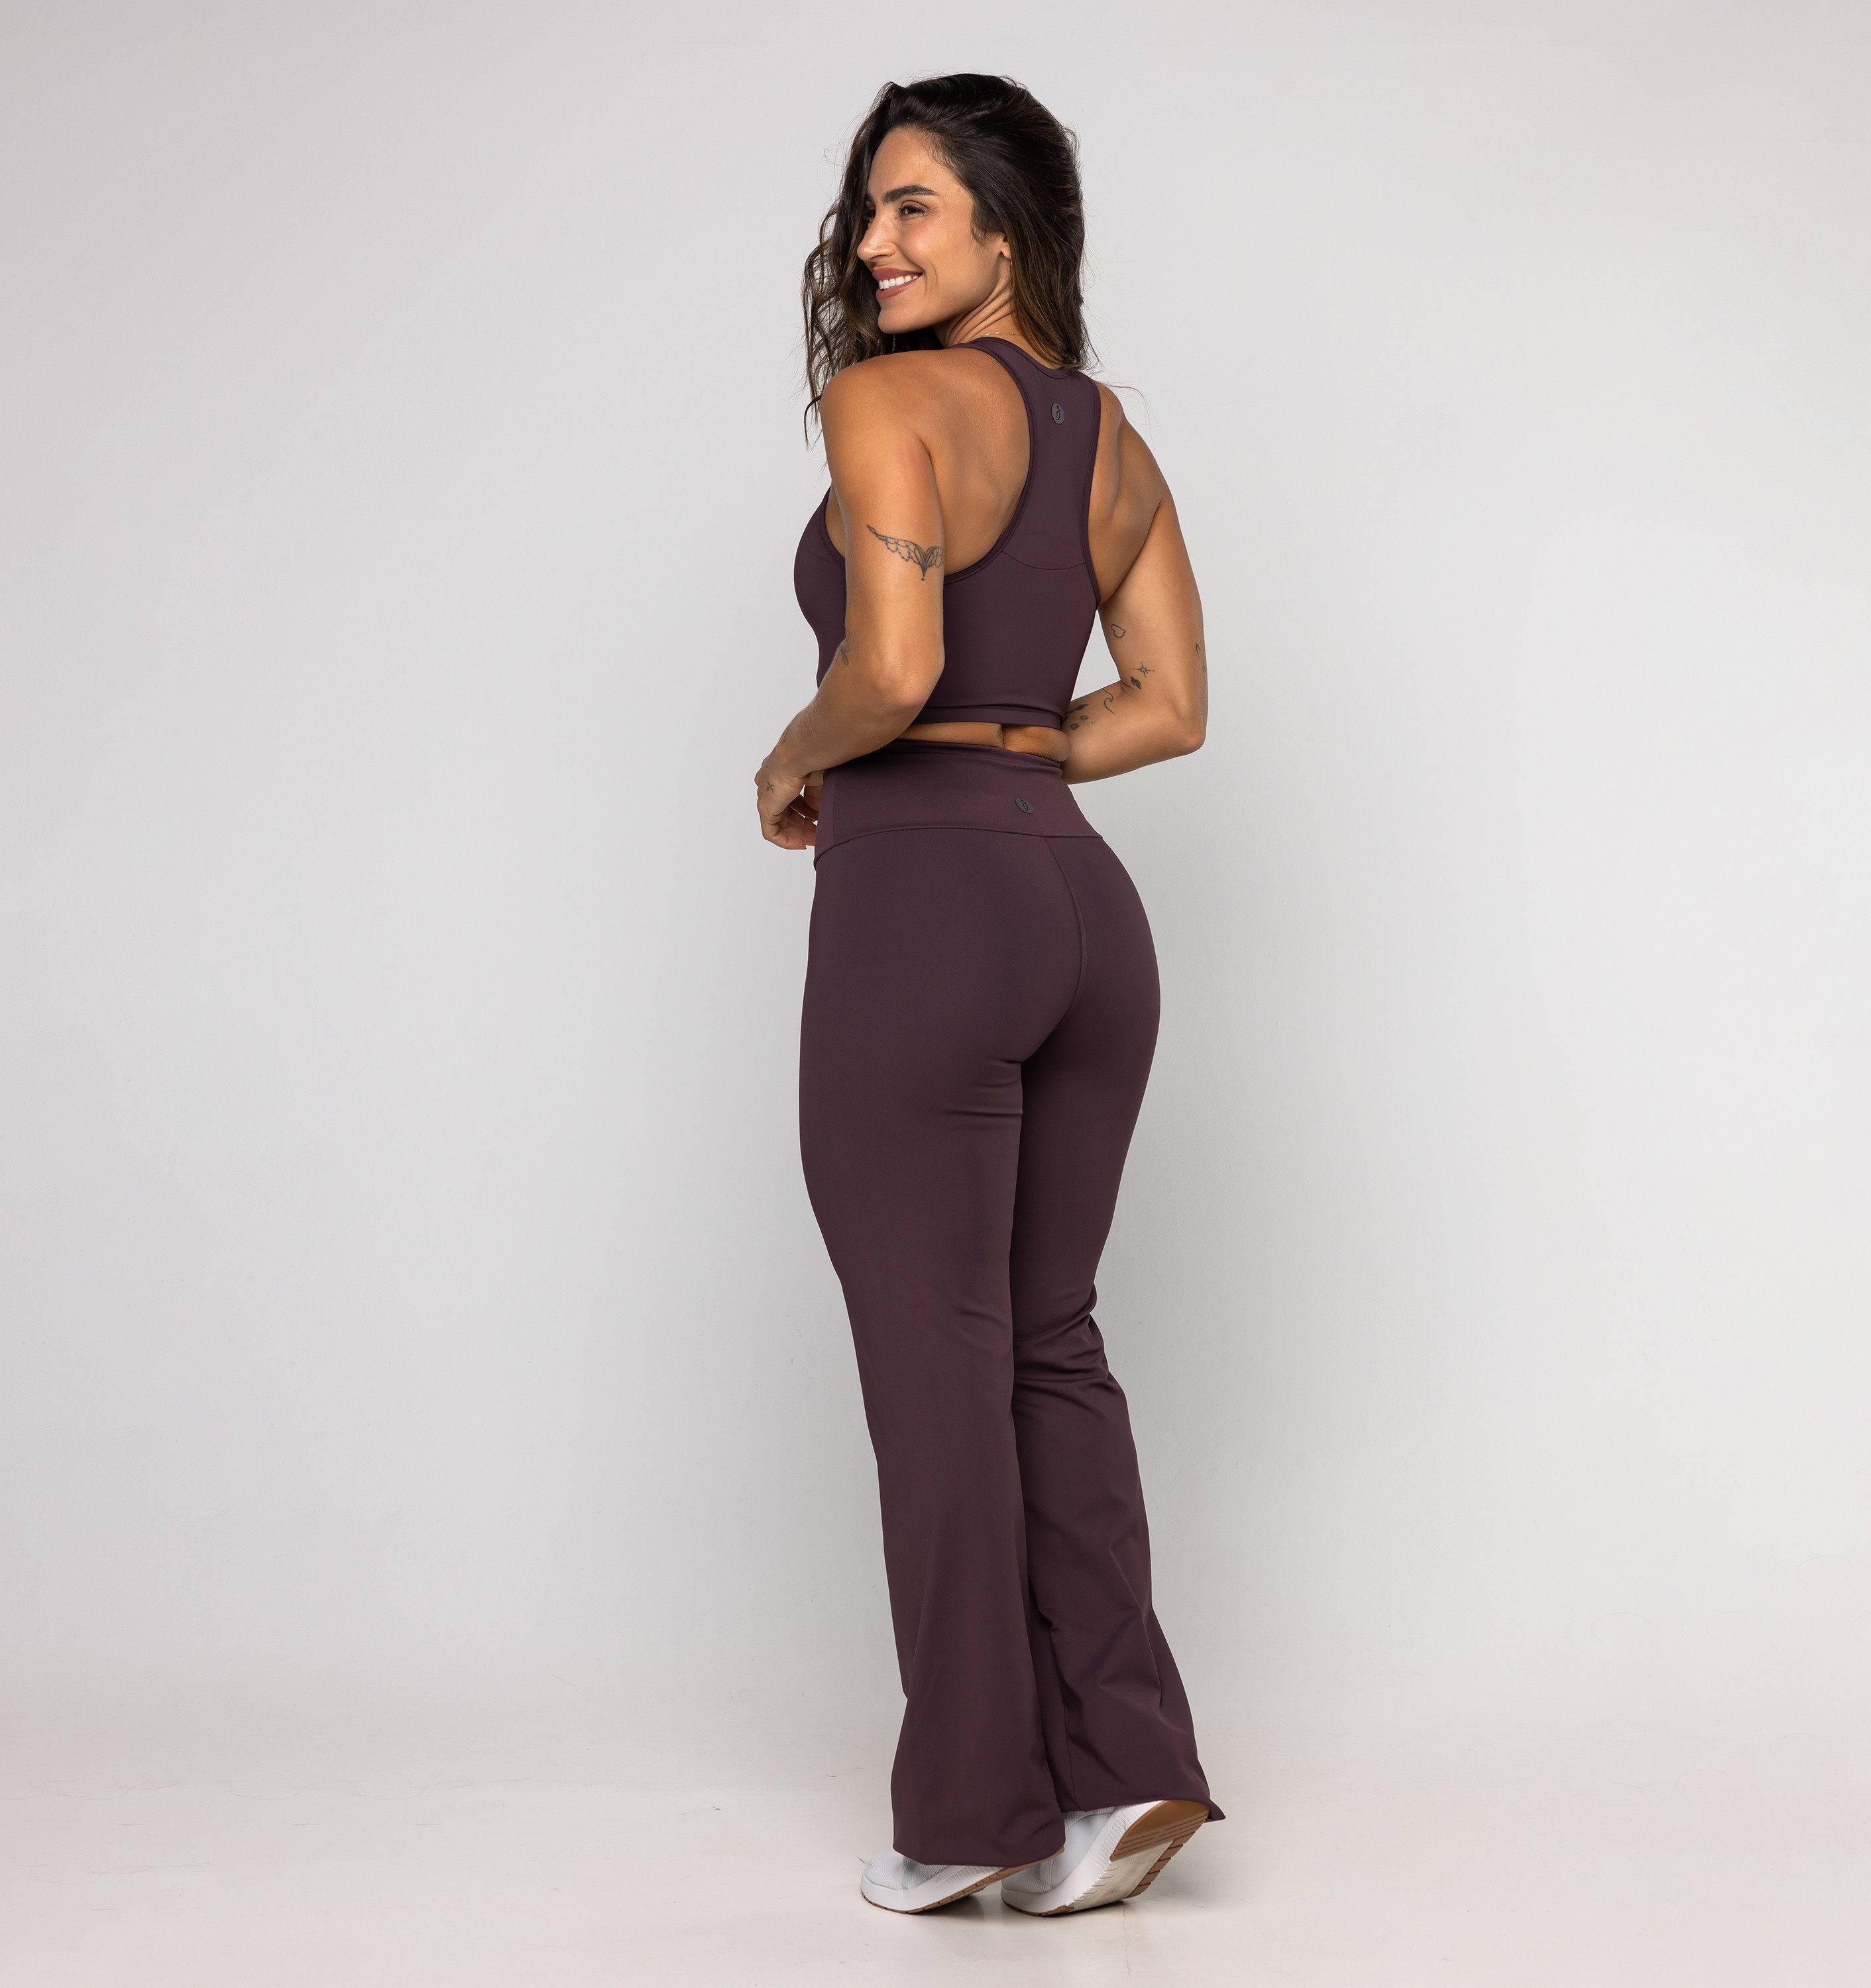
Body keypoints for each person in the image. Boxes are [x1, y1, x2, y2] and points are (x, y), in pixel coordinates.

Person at [756, 74, 1220, 1918]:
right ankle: (1129, 1767)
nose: (872, 246)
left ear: (1008, 226)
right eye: (867, 211)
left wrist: (793, 760)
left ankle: (972, 1808)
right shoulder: (1110, 439)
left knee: (934, 1361)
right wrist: (1020, 750)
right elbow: (1171, 707)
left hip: (924, 909)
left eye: (914, 208)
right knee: (1046, 1342)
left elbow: (890, 668)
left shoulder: (885, 402)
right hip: (1084, 914)